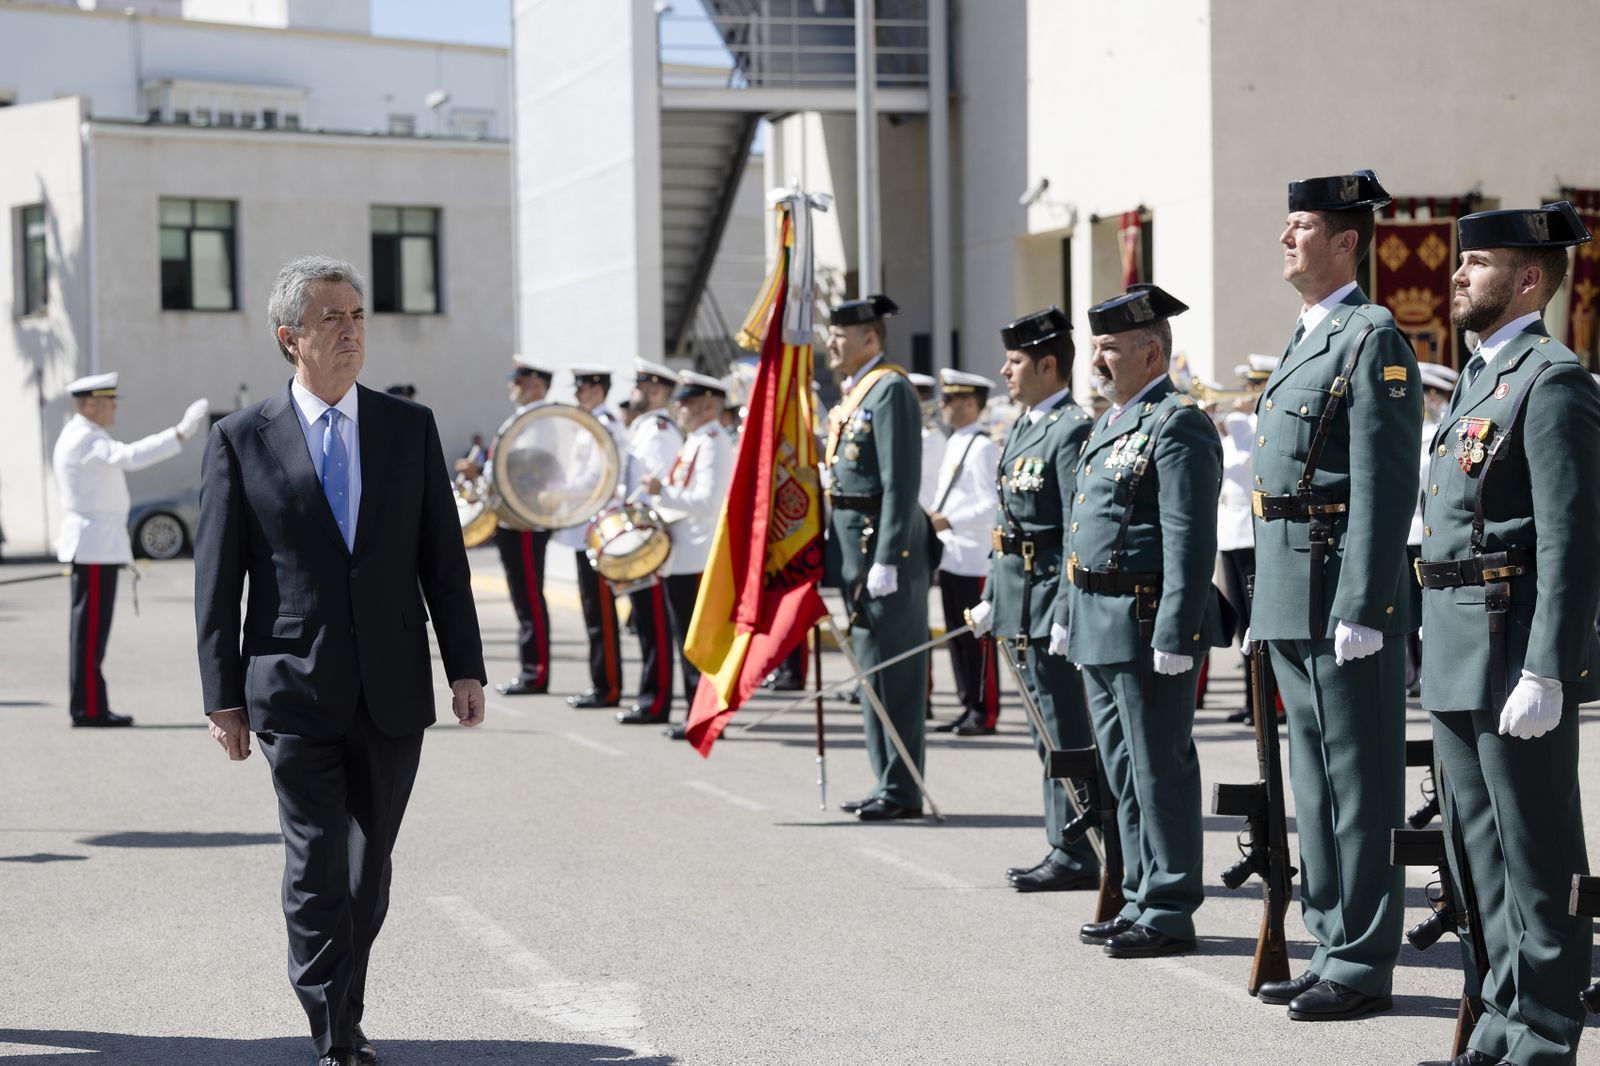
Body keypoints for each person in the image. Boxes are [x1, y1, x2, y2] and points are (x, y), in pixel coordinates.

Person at [194, 255, 486, 1066]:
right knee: (315, 862)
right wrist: (223, 697)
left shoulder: (407, 428)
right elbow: (217, 582)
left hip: (393, 686)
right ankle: (334, 1029)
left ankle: (344, 1003)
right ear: (291, 338)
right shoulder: (238, 440)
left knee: (368, 871)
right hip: (291, 687)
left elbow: (443, 558)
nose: (351, 330)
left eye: (358, 315)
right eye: (332, 318)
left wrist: (465, 664)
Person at [1415, 202, 1600, 1066]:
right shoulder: (1484, 377)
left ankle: (1546, 1032)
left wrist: (1550, 668)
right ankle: (1497, 1020)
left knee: (1534, 850)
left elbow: (1572, 538)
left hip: (1509, 644)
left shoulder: (1551, 379)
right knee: (1475, 853)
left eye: (1476, 263)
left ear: (1528, 279)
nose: (1457, 274)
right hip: (1454, 641)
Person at [1250, 170, 1421, 1020]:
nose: (1286, 239)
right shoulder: (1309, 334)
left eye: (1301, 225)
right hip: (1290, 583)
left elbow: (1385, 488)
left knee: (1357, 783)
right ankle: (1329, 941)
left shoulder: (1371, 337)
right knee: (1313, 784)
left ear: (1346, 241)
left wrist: (1363, 603)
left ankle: (1360, 960)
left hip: (1336, 589)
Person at [1065, 284, 1230, 958]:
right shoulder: (1108, 424)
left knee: (1159, 768)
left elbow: (1190, 538)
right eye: (1095, 346)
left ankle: (1168, 907)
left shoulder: (1176, 422)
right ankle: (1137, 892)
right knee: (1122, 770)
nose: (1097, 360)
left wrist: (1175, 629)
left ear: (1151, 351)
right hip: (1098, 620)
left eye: (1109, 348)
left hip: (1143, 623)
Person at [967, 306, 1100, 891]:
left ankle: (1079, 849)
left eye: (1016, 361)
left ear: (1049, 365)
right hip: (1019, 597)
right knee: (1042, 729)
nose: (1004, 371)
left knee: (1063, 728)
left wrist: (1068, 610)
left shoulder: (1069, 427)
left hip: (1048, 598)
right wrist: (994, 593)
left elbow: (1075, 526)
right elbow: (1006, 520)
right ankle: (1064, 841)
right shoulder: (1024, 424)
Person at [823, 294, 932, 821]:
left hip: (880, 547)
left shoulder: (890, 391)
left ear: (869, 337)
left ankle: (904, 787)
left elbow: (899, 481)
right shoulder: (851, 394)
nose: (830, 342)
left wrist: (890, 554)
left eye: (840, 335)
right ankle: (885, 778)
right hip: (851, 548)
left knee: (898, 673)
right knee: (870, 670)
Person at [52, 373, 209, 727]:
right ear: (90, 404)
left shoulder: (84, 435)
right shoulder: (85, 439)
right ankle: (89, 709)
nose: (115, 409)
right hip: (94, 547)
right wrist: (179, 433)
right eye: (110, 402)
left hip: (96, 545)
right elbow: (131, 456)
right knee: (90, 635)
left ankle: (89, 706)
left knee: (89, 635)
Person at [639, 370, 735, 740]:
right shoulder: (697, 439)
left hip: (698, 555)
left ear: (708, 405)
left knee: (700, 643)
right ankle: (699, 714)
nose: (679, 407)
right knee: (688, 641)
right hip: (683, 555)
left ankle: (706, 717)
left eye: (688, 401)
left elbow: (709, 501)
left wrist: (662, 490)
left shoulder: (712, 442)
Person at [456, 355, 554, 696]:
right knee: (523, 598)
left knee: (529, 598)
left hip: (526, 520)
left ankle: (536, 672)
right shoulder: (524, 419)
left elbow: (532, 472)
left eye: (518, 379)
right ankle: (531, 670)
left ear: (536, 385)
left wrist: (485, 475)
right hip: (513, 519)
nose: (511, 384)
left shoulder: (540, 422)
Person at [928, 368, 1002, 736]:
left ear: (971, 404)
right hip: (953, 555)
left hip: (974, 558)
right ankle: (967, 704)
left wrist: (949, 520)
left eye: (950, 399)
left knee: (977, 640)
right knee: (958, 638)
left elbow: (990, 505)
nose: (943, 405)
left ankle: (984, 710)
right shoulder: (956, 440)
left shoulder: (983, 446)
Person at [617, 359, 684, 725]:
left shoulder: (658, 432)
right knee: (645, 624)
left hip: (651, 541)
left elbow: (658, 492)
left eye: (638, 387)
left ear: (655, 391)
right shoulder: (646, 429)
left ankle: (656, 702)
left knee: (655, 625)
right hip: (640, 539)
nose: (632, 394)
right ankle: (650, 698)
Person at [557, 363, 627, 709]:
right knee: (593, 612)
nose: (577, 395)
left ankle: (608, 687)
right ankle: (601, 683)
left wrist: (560, 493)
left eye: (581, 389)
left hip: (599, 528)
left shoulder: (604, 426)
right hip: (587, 528)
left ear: (597, 389)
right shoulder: (593, 425)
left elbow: (596, 479)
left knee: (600, 612)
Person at [1218, 355, 1274, 724]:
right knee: (1241, 623)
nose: (1248, 394)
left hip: (1254, 531)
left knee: (1259, 622)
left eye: (1255, 386)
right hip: (1231, 528)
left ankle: (1268, 701)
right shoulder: (1237, 425)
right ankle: (1250, 698)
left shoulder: (1260, 426)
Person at [1405, 361, 1459, 698]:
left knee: (1430, 609)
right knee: (1410, 609)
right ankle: (1412, 674)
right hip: (1407, 531)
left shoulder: (1433, 434)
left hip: (1425, 530)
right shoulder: (1411, 431)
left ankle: (1427, 671)